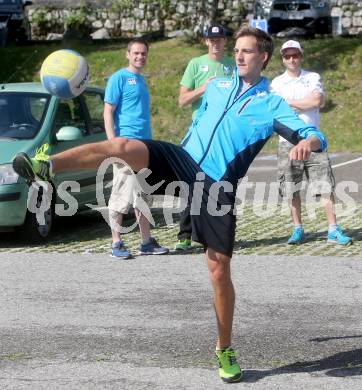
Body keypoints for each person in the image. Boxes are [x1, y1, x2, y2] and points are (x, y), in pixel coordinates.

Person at [13, 27, 327, 384]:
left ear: (263, 57)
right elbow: (195, 114)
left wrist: (309, 142)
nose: (239, 56)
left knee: (219, 270)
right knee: (123, 146)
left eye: (247, 51)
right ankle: (46, 165)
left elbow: (313, 135)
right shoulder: (218, 86)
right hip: (181, 160)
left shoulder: (271, 104)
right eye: (237, 50)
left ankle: (224, 347)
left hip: (215, 184)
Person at [270, 40, 352, 246]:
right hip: (287, 141)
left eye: (295, 55)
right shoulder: (276, 83)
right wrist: (300, 104)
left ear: (301, 56)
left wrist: (289, 103)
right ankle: (297, 228)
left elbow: (316, 102)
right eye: (287, 56)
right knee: (290, 187)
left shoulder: (312, 77)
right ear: (282, 58)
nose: (291, 59)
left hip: (313, 139)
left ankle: (333, 229)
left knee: (324, 184)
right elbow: (276, 111)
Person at [105, 38, 168, 258]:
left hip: (144, 147)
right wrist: (112, 141)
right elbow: (108, 111)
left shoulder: (140, 80)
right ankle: (116, 243)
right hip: (125, 146)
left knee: (143, 196)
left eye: (143, 53)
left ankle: (146, 242)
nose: (140, 57)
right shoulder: (119, 78)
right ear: (127, 54)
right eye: (136, 53)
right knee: (120, 195)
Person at [175, 24, 235, 251]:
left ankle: (217, 235)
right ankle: (185, 235)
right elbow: (182, 101)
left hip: (224, 135)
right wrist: (203, 88)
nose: (216, 43)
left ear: (225, 41)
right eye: (212, 39)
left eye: (220, 39)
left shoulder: (232, 65)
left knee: (223, 186)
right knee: (194, 185)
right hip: (200, 136)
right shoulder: (195, 64)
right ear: (206, 41)